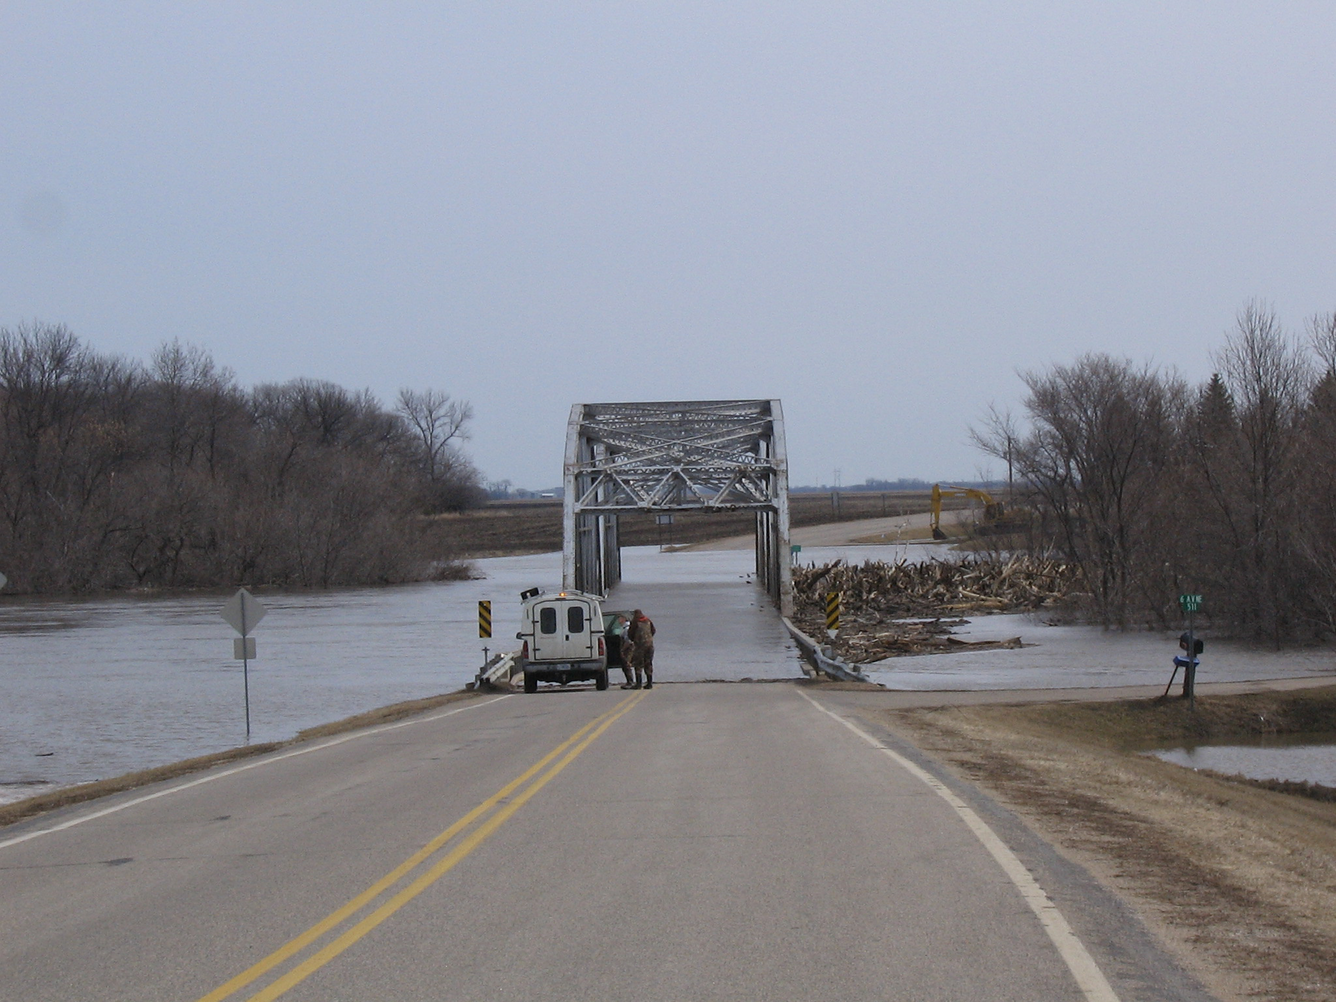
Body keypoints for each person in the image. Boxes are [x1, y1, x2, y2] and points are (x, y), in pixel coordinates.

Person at [627, 608, 656, 689]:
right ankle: (649, 683)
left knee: (638, 664)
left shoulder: (635, 622)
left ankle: (638, 684)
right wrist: (649, 638)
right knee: (648, 663)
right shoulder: (648, 620)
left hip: (639, 646)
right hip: (650, 646)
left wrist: (634, 640)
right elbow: (653, 630)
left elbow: (630, 633)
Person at [614, 614, 636, 689]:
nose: (618, 621)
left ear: (623, 619)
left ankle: (630, 682)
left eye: (619, 619)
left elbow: (628, 641)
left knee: (626, 664)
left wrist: (622, 649)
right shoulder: (624, 627)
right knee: (626, 665)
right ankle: (630, 681)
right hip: (628, 648)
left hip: (628, 649)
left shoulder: (626, 628)